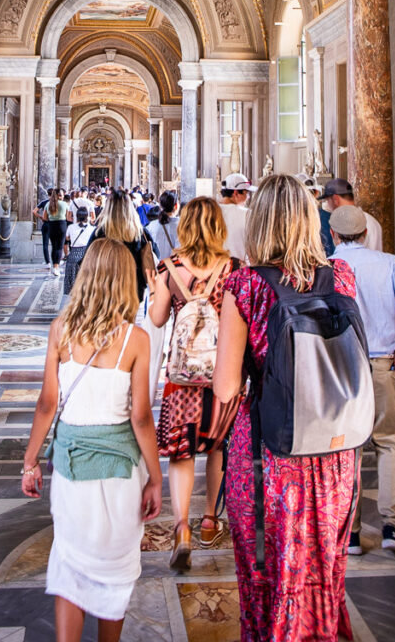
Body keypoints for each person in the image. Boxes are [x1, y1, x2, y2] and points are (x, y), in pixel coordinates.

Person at [213, 174, 358, 641]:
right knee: (325, 570)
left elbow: (224, 386)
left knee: (266, 575)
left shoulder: (245, 285)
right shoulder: (343, 276)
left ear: (260, 224)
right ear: (306, 220)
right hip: (334, 448)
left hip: (268, 450)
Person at [21, 238, 162, 642]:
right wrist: (155, 476)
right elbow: (140, 417)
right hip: (120, 474)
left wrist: (30, 461)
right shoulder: (135, 340)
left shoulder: (61, 330)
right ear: (125, 282)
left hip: (70, 469)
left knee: (70, 567)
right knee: (113, 576)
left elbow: (47, 404)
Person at [329, 204, 395, 554]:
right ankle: (393, 527)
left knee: (347, 448)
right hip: (385, 362)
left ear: (334, 234)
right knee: (388, 442)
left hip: (344, 369)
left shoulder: (328, 267)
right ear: (366, 234)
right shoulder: (388, 263)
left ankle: (350, 532)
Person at [150, 197, 241, 570]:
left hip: (183, 379)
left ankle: (182, 527)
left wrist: (161, 287)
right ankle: (209, 520)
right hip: (222, 373)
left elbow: (156, 320)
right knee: (218, 447)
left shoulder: (169, 267)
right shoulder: (233, 268)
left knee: (181, 452)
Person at [89, 189, 157, 302]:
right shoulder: (140, 233)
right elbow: (154, 254)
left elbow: (87, 258)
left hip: (106, 285)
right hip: (133, 286)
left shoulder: (99, 233)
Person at [321, 177, 382, 250]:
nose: (328, 205)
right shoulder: (371, 221)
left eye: (328, 201)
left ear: (335, 199)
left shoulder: (366, 223)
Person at [219, 172, 256, 261]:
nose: (248, 197)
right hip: (240, 271)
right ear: (235, 193)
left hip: (215, 269)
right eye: (246, 193)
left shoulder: (210, 211)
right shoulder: (247, 214)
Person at [63, 206, 96, 296]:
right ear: (87, 217)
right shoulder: (92, 229)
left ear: (76, 216)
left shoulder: (71, 227)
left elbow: (67, 238)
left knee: (73, 282)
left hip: (73, 255)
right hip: (87, 256)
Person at [41, 188, 70, 277]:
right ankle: (56, 267)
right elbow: (68, 217)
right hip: (62, 225)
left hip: (51, 225)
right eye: (61, 194)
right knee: (59, 247)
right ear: (58, 195)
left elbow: (44, 218)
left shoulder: (48, 204)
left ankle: (54, 266)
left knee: (54, 246)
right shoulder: (64, 204)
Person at [145, 190, 179, 262]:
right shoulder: (183, 226)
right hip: (176, 270)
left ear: (160, 206)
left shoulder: (151, 226)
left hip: (158, 269)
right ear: (176, 206)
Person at [33, 187, 51, 267]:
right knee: (56, 244)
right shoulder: (57, 203)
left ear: (48, 194)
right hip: (55, 225)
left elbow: (34, 211)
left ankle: (48, 262)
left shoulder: (44, 202)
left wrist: (41, 217)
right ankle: (56, 262)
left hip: (46, 224)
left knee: (45, 244)